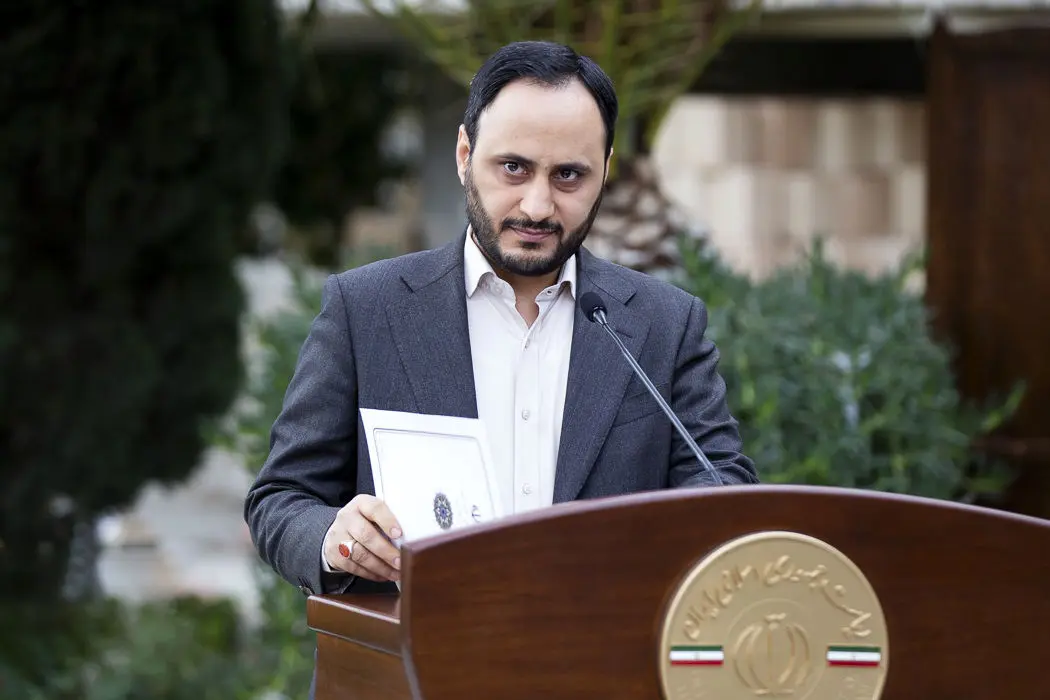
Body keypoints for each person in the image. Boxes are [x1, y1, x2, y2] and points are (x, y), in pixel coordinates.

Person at [244, 40, 758, 602]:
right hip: (418, 650)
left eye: (569, 176)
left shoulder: (666, 324)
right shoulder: (366, 308)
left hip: (606, 646)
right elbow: (281, 499)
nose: (537, 206)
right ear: (464, 154)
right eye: (514, 168)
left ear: (606, 172)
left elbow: (722, 487)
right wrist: (335, 539)